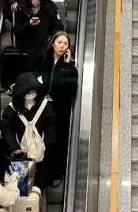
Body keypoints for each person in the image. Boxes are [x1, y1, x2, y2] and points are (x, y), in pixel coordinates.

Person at [0, 71, 56, 188]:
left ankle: (39, 193)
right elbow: (6, 128)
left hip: (42, 151)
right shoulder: (12, 109)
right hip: (21, 153)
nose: (31, 94)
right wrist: (14, 147)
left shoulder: (45, 105)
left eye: (33, 91)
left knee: (40, 184)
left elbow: (51, 124)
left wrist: (48, 142)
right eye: (27, 91)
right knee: (22, 186)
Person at [37, 31, 78, 188]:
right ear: (53, 43)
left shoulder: (69, 67)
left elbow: (69, 87)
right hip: (42, 109)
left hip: (59, 111)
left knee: (58, 142)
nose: (62, 46)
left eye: (65, 44)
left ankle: (56, 174)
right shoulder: (44, 61)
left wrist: (67, 65)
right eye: (59, 42)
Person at [13, 0, 64, 71]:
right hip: (28, 44)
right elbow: (17, 30)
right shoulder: (23, 8)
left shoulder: (49, 7)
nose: (35, 2)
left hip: (45, 43)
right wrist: (29, 24)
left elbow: (57, 27)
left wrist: (51, 38)